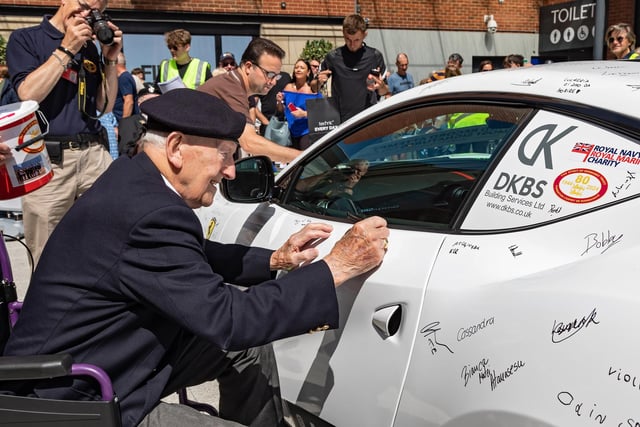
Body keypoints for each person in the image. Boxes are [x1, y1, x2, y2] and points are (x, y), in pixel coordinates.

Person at [2, 88, 390, 427]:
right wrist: (334, 268)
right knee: (236, 339)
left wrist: (275, 260)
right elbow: (229, 319)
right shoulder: (149, 213)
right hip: (74, 396)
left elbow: (193, 254)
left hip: (107, 359)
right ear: (174, 147)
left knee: (245, 352)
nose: (231, 171)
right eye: (224, 155)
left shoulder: (135, 181)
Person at [7, 0, 121, 265]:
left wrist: (110, 60)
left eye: (96, 11)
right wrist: (68, 47)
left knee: (105, 242)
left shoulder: (90, 47)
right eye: (83, 5)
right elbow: (28, 94)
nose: (87, 15)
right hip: (46, 159)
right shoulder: (26, 39)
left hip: (93, 154)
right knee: (47, 253)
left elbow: (103, 106)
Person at [198, 37, 301, 163]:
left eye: (277, 76)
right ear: (248, 67)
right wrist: (305, 157)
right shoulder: (231, 86)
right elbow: (250, 142)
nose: (273, 82)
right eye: (269, 74)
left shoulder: (234, 84)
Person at [314, 14, 388, 122]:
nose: (352, 44)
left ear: (364, 35)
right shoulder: (333, 57)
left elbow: (385, 91)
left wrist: (381, 87)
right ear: (343, 33)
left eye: (356, 40)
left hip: (368, 118)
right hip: (340, 121)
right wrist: (319, 82)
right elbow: (314, 88)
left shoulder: (375, 56)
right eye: (348, 39)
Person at [275, 59, 322, 150]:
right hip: (290, 131)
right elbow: (281, 110)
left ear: (308, 72)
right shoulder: (288, 87)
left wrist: (304, 114)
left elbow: (322, 113)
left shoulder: (312, 90)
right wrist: (279, 101)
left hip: (307, 131)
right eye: (296, 67)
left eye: (302, 68)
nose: (298, 69)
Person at [113, 52, 139, 123]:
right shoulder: (125, 77)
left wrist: (123, 124)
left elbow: (129, 101)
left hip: (124, 124)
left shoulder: (124, 78)